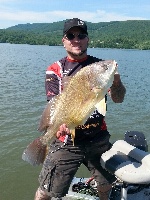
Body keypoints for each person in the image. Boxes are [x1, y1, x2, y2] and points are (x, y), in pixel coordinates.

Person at [34, 18, 126, 200]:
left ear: (87, 39)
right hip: (66, 141)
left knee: (106, 184)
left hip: (98, 138)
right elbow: (54, 103)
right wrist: (57, 126)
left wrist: (116, 80)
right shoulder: (55, 69)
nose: (76, 39)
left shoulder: (99, 67)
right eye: (71, 35)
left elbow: (118, 99)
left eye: (81, 35)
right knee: (46, 191)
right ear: (64, 40)